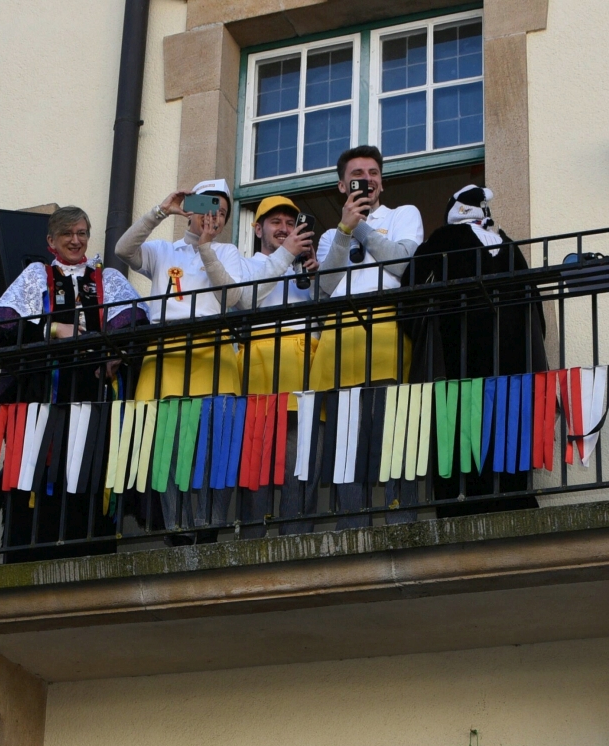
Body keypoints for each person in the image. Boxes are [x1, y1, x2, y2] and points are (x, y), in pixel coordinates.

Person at [115, 179, 292, 543]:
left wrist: (207, 248)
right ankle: (177, 530)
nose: (216, 217)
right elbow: (123, 249)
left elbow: (233, 298)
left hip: (214, 352)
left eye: (223, 212)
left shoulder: (227, 252)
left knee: (216, 447)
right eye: (209, 207)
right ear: (191, 209)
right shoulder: (164, 250)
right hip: (167, 354)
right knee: (169, 450)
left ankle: (208, 526)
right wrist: (161, 210)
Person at [0, 205, 148, 561]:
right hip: (43, 395)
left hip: (95, 395)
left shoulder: (107, 280)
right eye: (67, 234)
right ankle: (29, 554)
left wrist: (117, 353)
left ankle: (90, 551)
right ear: (51, 241)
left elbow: (136, 326)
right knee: (39, 468)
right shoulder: (35, 276)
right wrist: (53, 328)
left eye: (81, 233)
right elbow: (1, 329)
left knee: (90, 467)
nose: (76, 240)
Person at [405, 184, 547, 519]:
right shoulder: (509, 246)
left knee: (458, 430)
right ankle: (513, 498)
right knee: (505, 426)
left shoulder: (442, 240)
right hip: (510, 361)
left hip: (457, 359)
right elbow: (537, 315)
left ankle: (461, 502)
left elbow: (409, 293)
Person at [312, 146, 424, 528]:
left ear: (382, 182)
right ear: (343, 186)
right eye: (358, 174)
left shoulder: (403, 215)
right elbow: (325, 287)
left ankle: (402, 526)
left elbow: (401, 263)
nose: (367, 179)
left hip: (386, 340)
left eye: (374, 173)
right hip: (339, 348)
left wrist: (359, 225)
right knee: (348, 450)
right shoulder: (331, 235)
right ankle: (351, 529)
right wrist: (345, 230)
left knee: (394, 440)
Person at [237, 195, 320, 537]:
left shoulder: (306, 270)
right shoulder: (245, 265)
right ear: (257, 229)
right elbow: (246, 301)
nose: (284, 228)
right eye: (276, 222)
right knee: (256, 471)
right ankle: (251, 546)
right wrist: (286, 255)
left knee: (299, 469)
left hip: (304, 381)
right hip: (259, 380)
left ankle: (297, 543)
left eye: (290, 223)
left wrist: (318, 277)